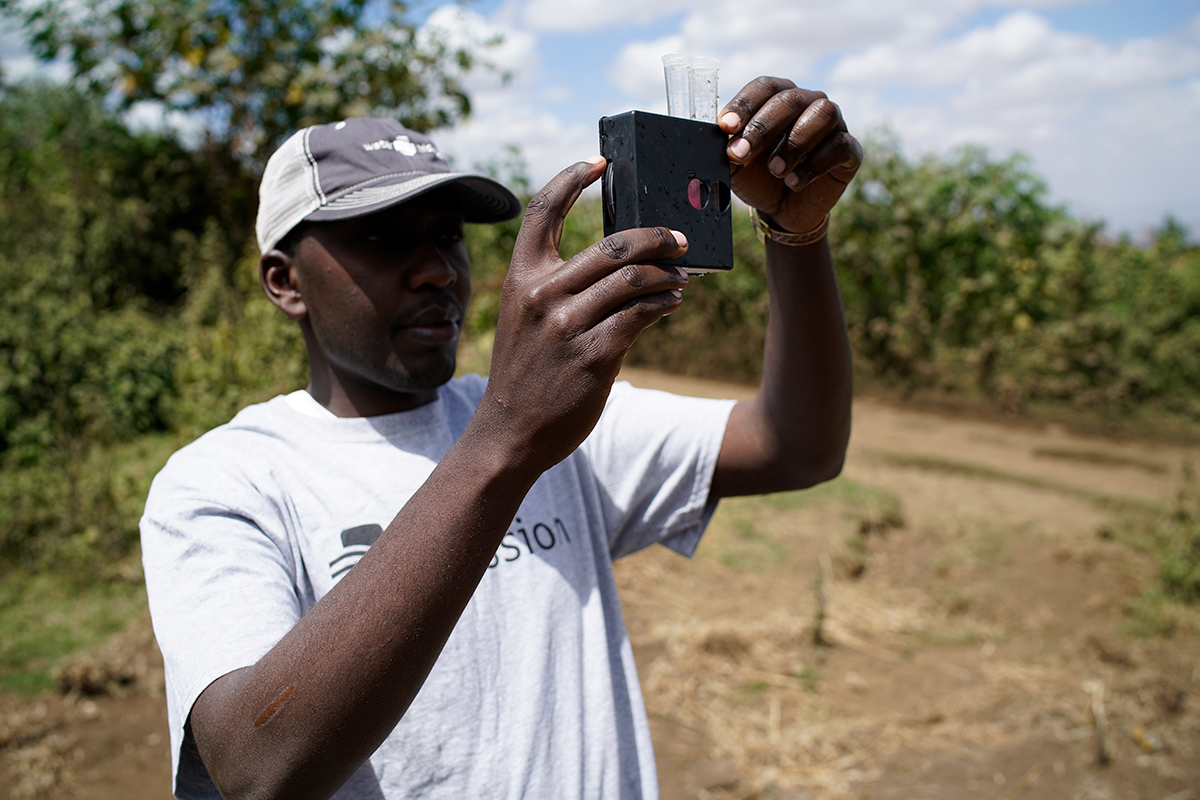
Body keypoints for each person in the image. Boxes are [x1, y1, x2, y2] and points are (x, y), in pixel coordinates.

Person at [140, 75, 861, 800]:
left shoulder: (556, 421)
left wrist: (797, 236)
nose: (435, 271)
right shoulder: (229, 480)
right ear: (285, 282)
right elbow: (256, 769)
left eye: (447, 237)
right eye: (380, 240)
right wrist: (503, 441)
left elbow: (796, 445)